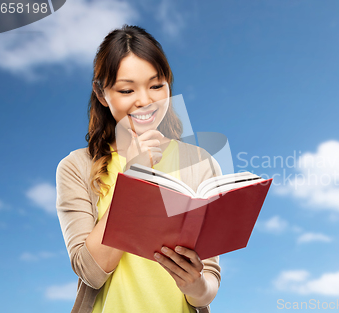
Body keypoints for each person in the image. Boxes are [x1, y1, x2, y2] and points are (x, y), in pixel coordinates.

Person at [55, 24, 222, 313]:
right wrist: (134, 176)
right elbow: (91, 272)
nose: (145, 100)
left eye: (156, 85)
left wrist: (195, 285)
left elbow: (207, 287)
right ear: (101, 93)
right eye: (127, 89)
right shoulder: (76, 167)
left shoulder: (200, 163)